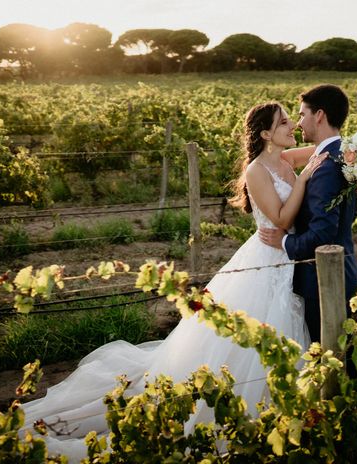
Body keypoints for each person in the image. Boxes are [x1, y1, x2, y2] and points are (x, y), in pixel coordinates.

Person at [20, 102, 326, 462]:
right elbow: (280, 221)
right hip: (266, 258)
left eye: (292, 119)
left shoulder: (284, 159)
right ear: (264, 134)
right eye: (284, 122)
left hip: (286, 259)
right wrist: (306, 178)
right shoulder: (258, 170)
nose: (292, 125)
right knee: (255, 337)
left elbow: (325, 148)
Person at [260, 84, 357, 346]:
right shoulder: (341, 154)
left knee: (330, 361)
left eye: (302, 114)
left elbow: (322, 235)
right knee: (338, 358)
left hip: (323, 281)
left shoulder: (326, 167)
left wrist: (283, 242)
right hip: (341, 270)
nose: (298, 123)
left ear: (319, 115)